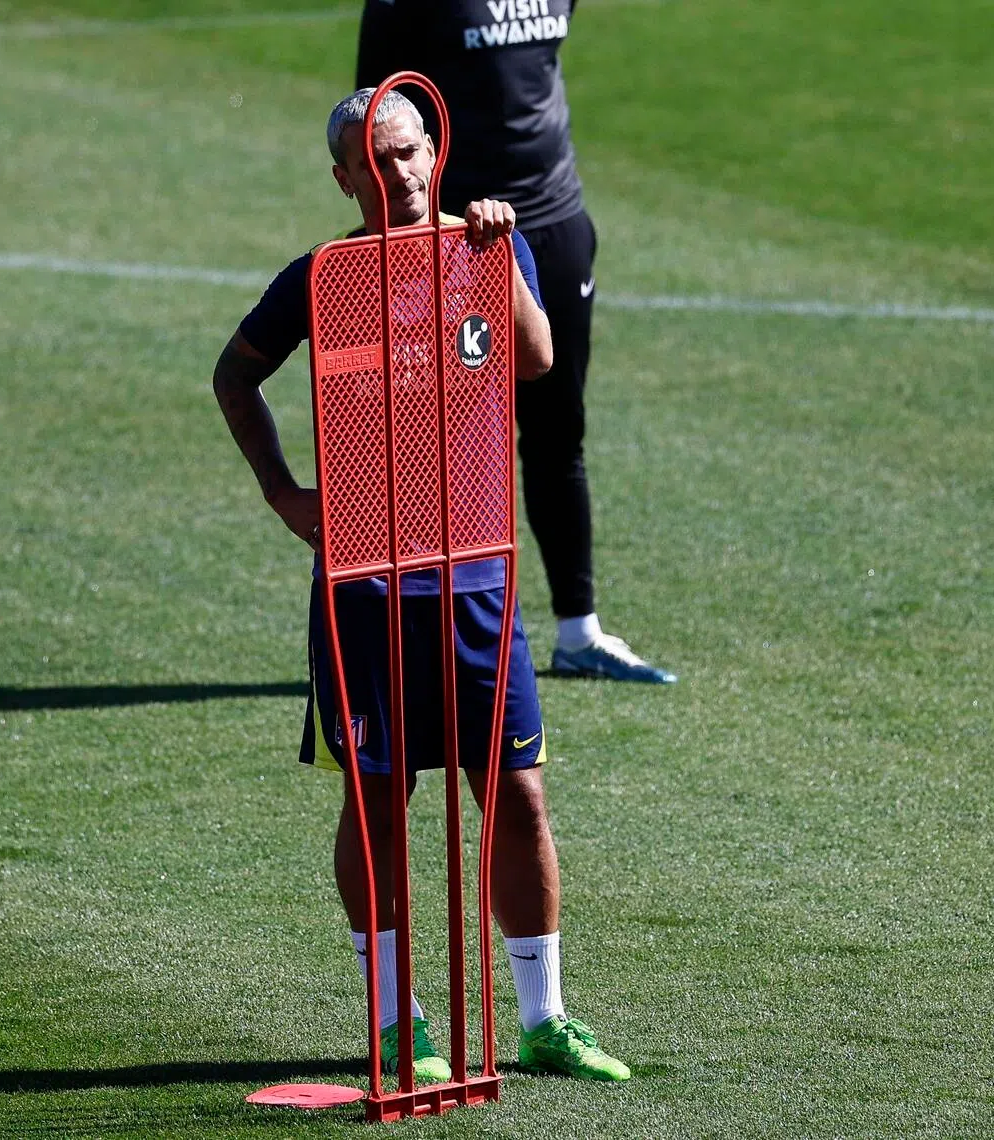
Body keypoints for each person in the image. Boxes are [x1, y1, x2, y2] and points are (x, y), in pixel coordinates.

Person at [212, 88, 630, 1083]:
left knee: (517, 793)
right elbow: (235, 373)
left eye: (409, 155)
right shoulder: (326, 276)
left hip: (478, 572)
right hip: (363, 583)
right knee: (379, 801)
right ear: (345, 177)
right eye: (375, 161)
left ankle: (544, 1017)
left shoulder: (486, 247)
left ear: (435, 151)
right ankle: (400, 1021)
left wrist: (498, 259)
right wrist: (282, 492)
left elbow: (536, 360)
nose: (397, 175)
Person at [356, 0, 678, 685]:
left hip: (555, 224)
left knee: (559, 430)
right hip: (458, 239)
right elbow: (372, 120)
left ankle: (578, 633)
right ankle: (417, 632)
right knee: (435, 436)